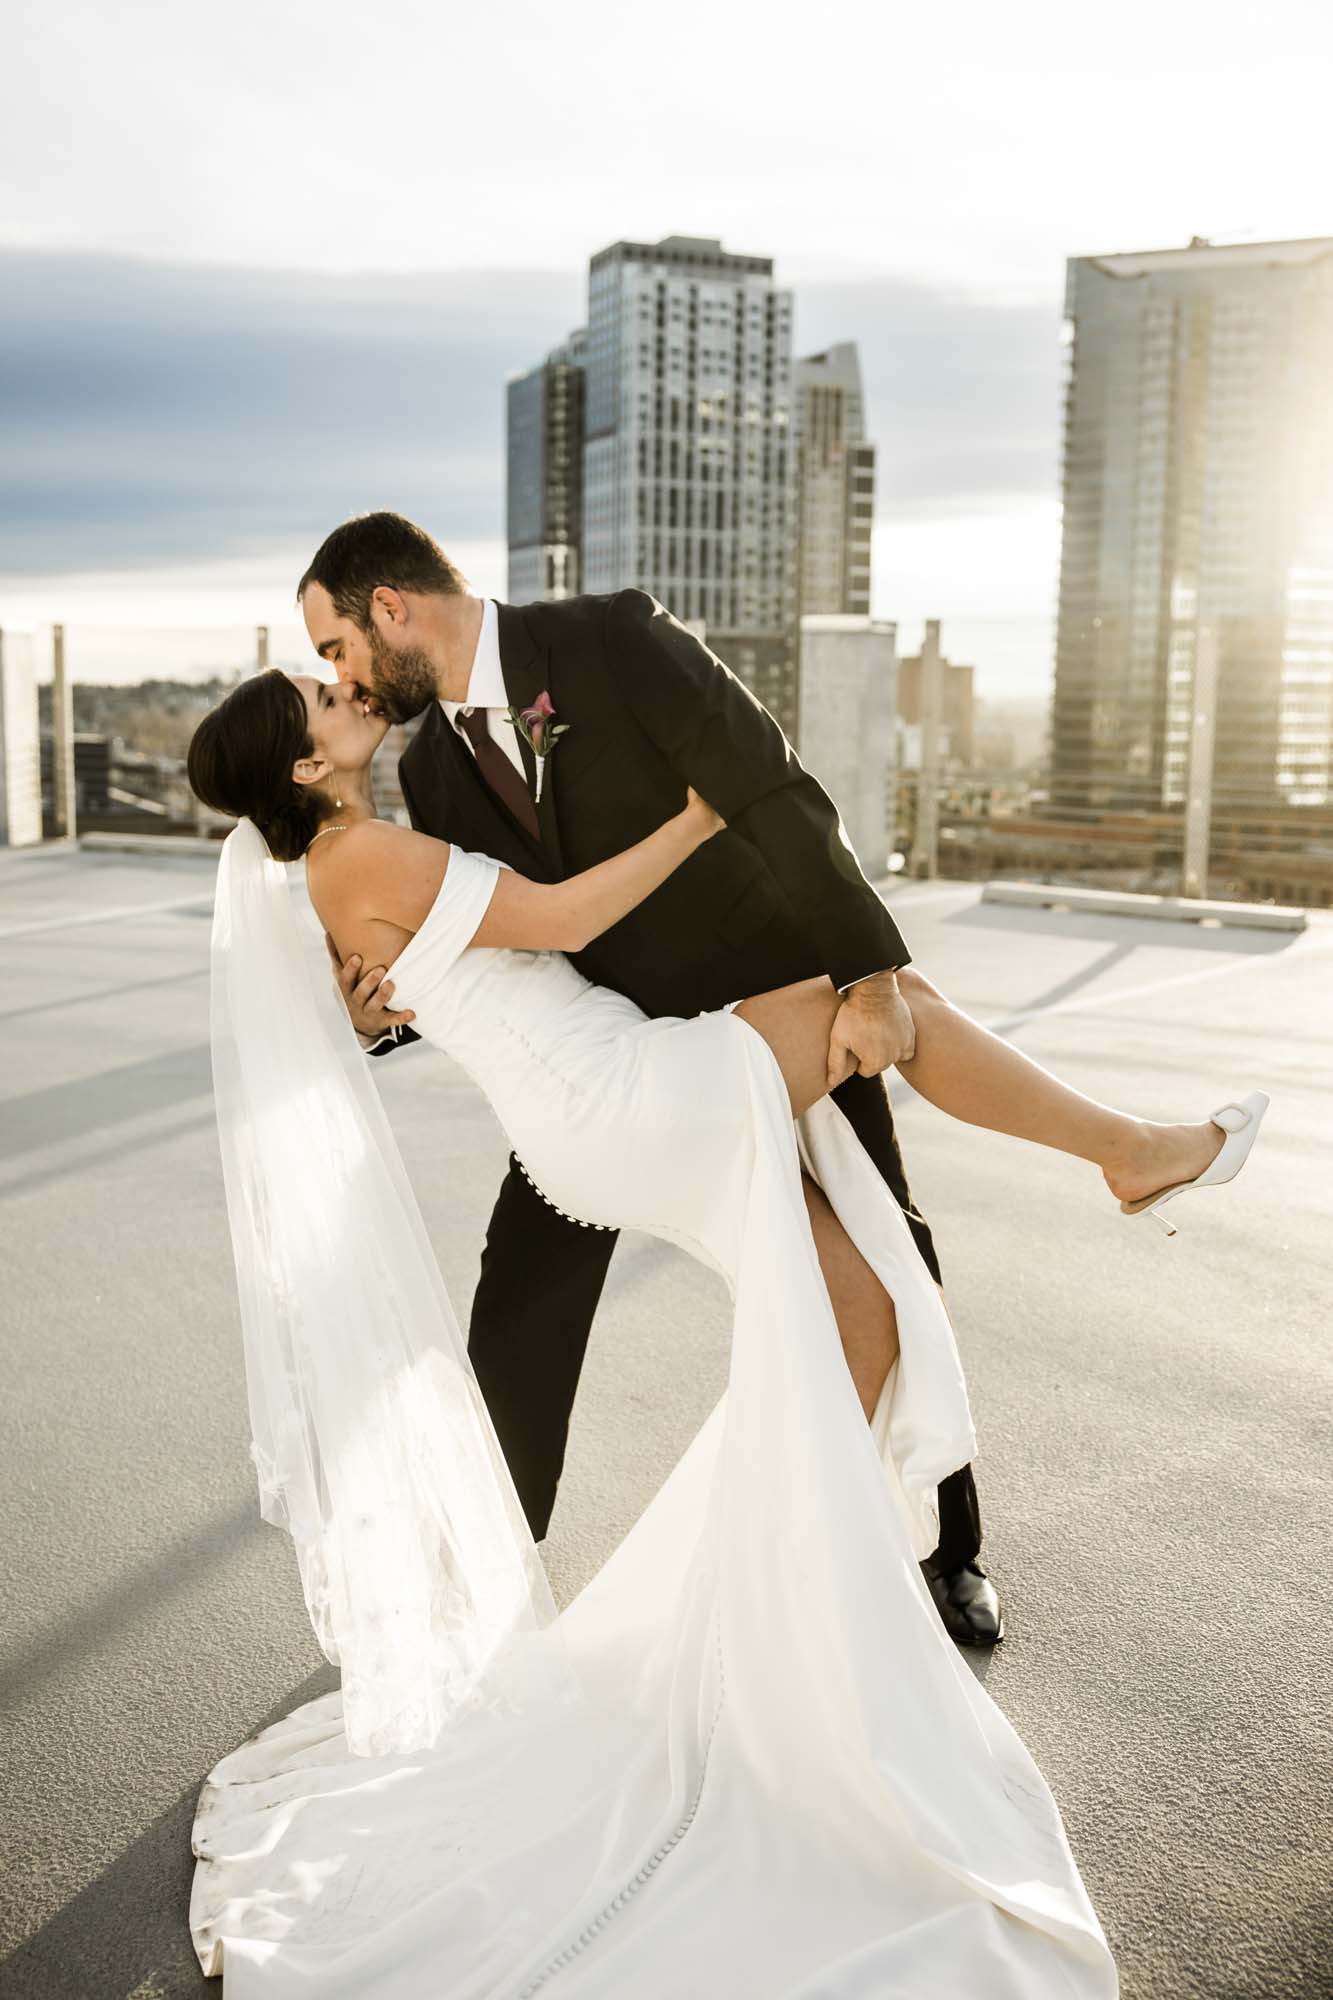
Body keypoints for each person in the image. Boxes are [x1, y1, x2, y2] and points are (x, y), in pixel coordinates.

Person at [183, 658, 1266, 1997]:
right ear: (303, 766)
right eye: (323, 700)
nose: (348, 692)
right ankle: (1133, 1153)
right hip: (617, 1095)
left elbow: (434, 971)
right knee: (892, 1003)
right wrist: (706, 811)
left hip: (603, 1102)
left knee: (858, 1319)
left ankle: (776, 1630)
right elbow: (566, 910)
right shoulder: (366, 854)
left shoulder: (355, 860)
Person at [303, 511, 1006, 1646]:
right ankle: (492, 1554)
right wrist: (386, 1014)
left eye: (336, 646)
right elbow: (499, 954)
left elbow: (773, 786)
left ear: (390, 608)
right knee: (521, 1286)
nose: (343, 674)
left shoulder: (610, 636)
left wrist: (871, 970)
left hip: (769, 1005)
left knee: (891, 1241)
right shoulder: (433, 766)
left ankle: (946, 1546)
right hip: (609, 1066)